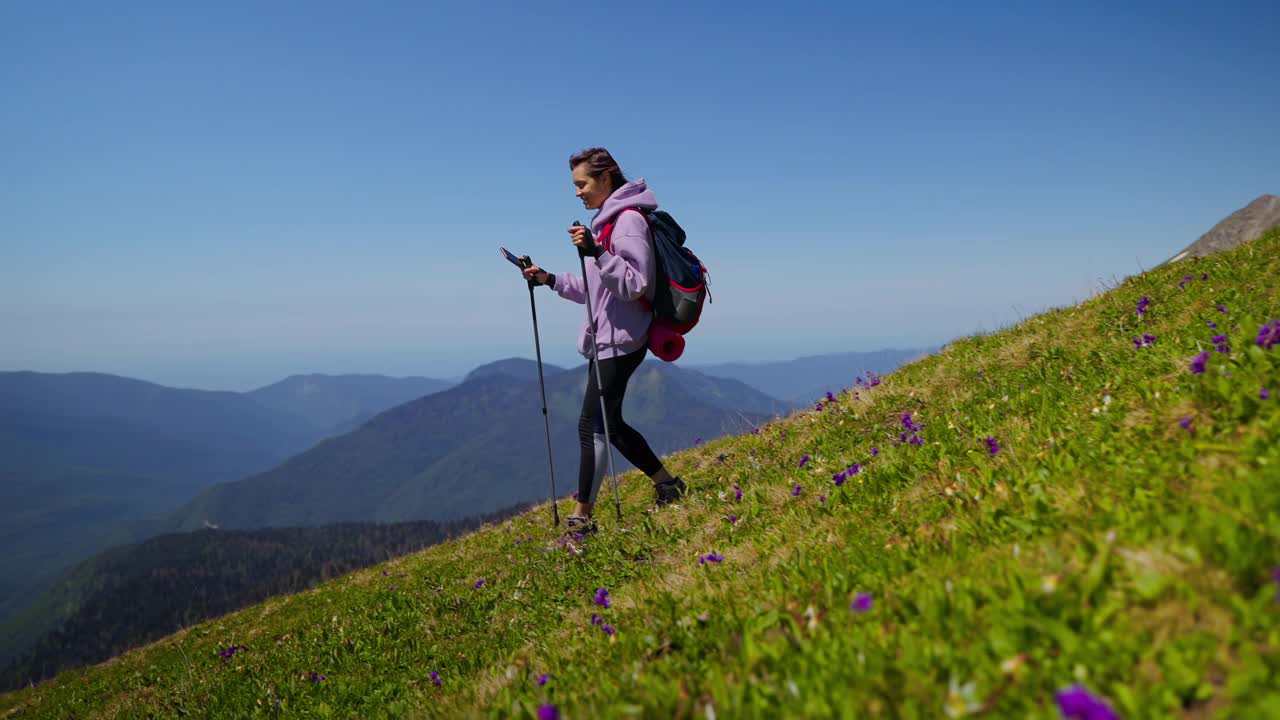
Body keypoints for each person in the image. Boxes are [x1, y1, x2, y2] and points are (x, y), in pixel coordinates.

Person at [520, 147, 686, 536]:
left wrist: (595, 250)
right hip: (611, 338)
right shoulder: (607, 222)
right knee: (610, 423)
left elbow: (634, 283)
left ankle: (582, 521)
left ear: (606, 179)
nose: (577, 192)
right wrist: (547, 278)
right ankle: (668, 484)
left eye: (582, 184)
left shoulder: (627, 222)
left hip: (621, 342)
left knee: (591, 426)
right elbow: (595, 287)